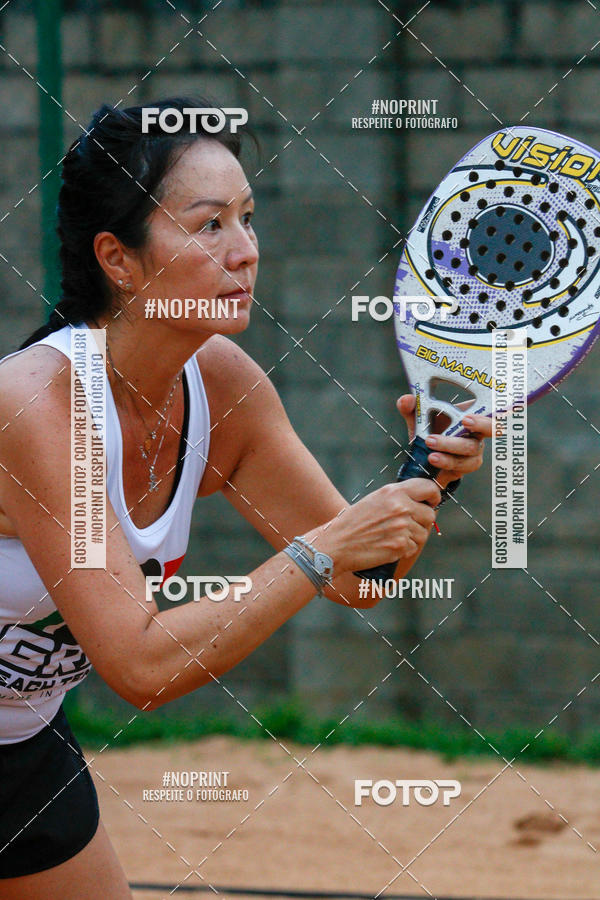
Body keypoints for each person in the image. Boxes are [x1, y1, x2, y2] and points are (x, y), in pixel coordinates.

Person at [0, 97, 492, 898]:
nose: (245, 252)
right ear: (117, 260)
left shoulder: (224, 387)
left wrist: (425, 471)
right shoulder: (39, 403)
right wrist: (323, 547)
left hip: (22, 745)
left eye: (248, 218)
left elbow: (360, 580)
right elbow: (141, 665)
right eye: (208, 226)